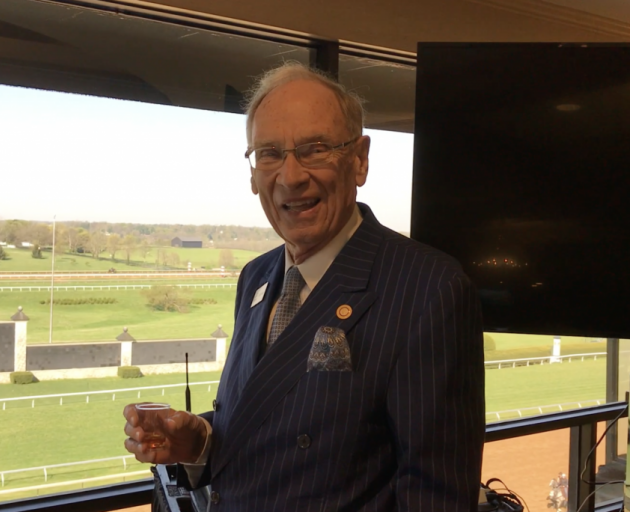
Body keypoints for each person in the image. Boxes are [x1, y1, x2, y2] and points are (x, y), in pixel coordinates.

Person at [124, 62, 485, 511]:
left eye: (315, 149)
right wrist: (199, 441)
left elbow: (437, 498)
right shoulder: (255, 278)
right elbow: (265, 425)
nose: (291, 177)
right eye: (269, 154)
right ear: (254, 173)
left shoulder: (428, 289)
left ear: (359, 160)